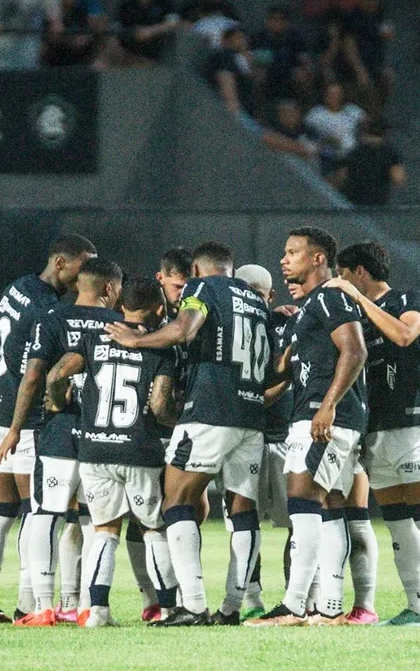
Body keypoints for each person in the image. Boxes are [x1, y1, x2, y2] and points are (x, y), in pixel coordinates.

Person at [101, 244, 269, 627]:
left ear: (195, 269)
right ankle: (232, 608)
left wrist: (135, 341)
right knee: (243, 512)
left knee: (176, 503)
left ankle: (192, 605)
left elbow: (184, 329)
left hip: (209, 411)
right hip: (250, 415)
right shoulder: (256, 303)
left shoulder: (203, 288)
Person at [326, 242, 420, 627]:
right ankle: (418, 607)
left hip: (417, 425)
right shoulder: (356, 317)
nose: (340, 281)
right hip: (378, 430)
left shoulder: (408, 299)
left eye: (343, 274)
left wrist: (358, 300)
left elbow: (404, 335)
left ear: (359, 272)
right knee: (398, 523)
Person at [246, 226, 367, 627]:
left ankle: (295, 605)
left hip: (324, 416)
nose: (284, 260)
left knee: (303, 500)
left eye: (293, 252)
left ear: (318, 258)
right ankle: (328, 607)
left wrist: (328, 406)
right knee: (326, 506)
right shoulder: (311, 305)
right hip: (317, 413)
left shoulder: (330, 295)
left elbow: (355, 350)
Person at [0, 234, 94, 624]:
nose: (86, 274)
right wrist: (17, 419)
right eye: (83, 266)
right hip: (22, 422)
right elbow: (36, 374)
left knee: (2, 509)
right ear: (60, 263)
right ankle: (28, 604)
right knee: (35, 511)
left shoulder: (17, 287)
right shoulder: (48, 310)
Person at [45, 277, 179, 627]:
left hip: (95, 448)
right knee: (153, 529)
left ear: (121, 306)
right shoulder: (159, 347)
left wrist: (58, 403)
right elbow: (160, 405)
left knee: (104, 530)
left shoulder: (94, 338)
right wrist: (179, 421)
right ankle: (167, 608)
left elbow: (56, 375)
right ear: (159, 310)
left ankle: (98, 611)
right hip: (139, 448)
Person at [230, 263, 292, 621]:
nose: (251, 300)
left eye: (258, 295)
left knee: (299, 522)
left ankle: (295, 595)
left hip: (284, 438)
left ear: (270, 297)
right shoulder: (226, 325)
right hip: (244, 436)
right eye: (245, 293)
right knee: (243, 522)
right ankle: (251, 598)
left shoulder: (287, 323)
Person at [112, 0, 180, 66]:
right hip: (131, 42)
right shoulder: (127, 1)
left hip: (157, 42)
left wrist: (150, 31)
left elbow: (173, 23)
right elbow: (117, 25)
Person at [333, 118, 407, 206]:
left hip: (353, 198)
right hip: (377, 199)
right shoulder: (390, 153)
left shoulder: (355, 151)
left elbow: (341, 175)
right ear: (386, 133)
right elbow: (398, 178)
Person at [251, 6, 314, 107]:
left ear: (286, 22)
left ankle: (302, 108)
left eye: (281, 19)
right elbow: (253, 59)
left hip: (290, 70)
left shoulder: (295, 37)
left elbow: (305, 58)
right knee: (258, 76)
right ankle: (260, 110)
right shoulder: (259, 38)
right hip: (269, 71)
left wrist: (306, 69)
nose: (277, 22)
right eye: (273, 19)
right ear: (267, 21)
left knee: (303, 75)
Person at [304, 82, 366, 174]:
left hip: (354, 152)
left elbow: (367, 124)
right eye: (331, 94)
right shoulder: (316, 113)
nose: (334, 97)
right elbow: (307, 135)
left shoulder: (352, 110)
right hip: (330, 154)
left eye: (337, 94)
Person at [203, 26, 257, 118]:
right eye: (238, 38)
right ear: (226, 40)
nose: (242, 42)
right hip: (234, 112)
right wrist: (233, 108)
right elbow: (225, 78)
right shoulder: (223, 57)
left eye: (244, 39)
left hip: (247, 109)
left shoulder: (240, 58)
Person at [156, 247, 192, 313]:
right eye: (178, 287)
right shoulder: (145, 306)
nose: (184, 293)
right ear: (160, 278)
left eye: (189, 287)